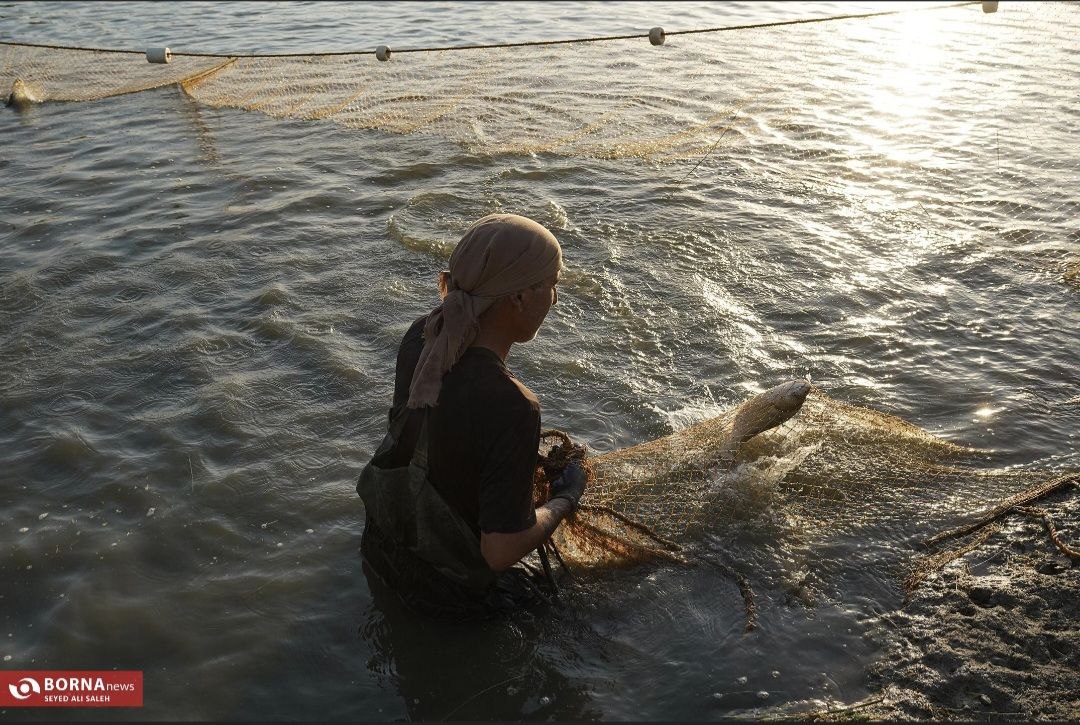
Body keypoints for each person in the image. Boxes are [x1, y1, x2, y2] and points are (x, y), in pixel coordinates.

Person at [358, 213, 588, 619]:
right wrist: (564, 499)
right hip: (446, 597)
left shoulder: (420, 336)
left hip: (382, 551)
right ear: (516, 298)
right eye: (550, 285)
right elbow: (499, 552)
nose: (554, 299)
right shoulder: (514, 405)